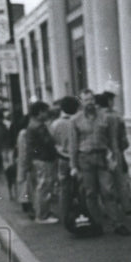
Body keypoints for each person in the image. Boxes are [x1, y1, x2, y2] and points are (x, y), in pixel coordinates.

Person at [69, 88, 131, 237]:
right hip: (85, 158)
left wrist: (115, 159)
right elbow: (73, 144)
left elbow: (113, 140)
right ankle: (96, 224)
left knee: (108, 191)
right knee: (90, 193)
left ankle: (117, 223)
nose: (89, 103)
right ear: (81, 102)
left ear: (94, 100)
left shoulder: (105, 117)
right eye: (86, 100)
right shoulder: (75, 120)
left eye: (91, 99)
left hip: (103, 157)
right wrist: (73, 166)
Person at [96, 90, 131, 217]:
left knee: (106, 183)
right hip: (117, 151)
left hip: (102, 152)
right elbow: (124, 139)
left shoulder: (97, 118)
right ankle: (126, 206)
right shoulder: (117, 117)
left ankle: (109, 210)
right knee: (121, 180)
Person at [24, 101, 61, 224]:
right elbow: (48, 142)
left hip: (38, 158)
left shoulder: (33, 124)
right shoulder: (39, 126)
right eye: (45, 111)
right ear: (39, 112)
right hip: (44, 158)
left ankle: (42, 212)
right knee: (45, 186)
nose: (47, 114)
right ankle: (42, 215)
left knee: (42, 186)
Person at [50, 96, 79, 225]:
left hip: (62, 159)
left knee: (64, 188)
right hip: (77, 159)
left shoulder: (55, 124)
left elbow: (53, 143)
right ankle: (82, 213)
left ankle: (65, 215)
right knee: (80, 187)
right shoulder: (78, 121)